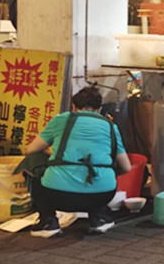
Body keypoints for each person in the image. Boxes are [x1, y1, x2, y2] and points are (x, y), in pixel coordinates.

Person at [24, 86, 131, 238]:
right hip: (102, 195)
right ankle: (99, 218)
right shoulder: (111, 126)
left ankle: (48, 222)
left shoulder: (61, 119)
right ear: (99, 109)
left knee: (31, 162)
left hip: (58, 195)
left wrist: (53, 154)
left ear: (73, 106)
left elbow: (31, 150)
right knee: (103, 170)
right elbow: (126, 167)